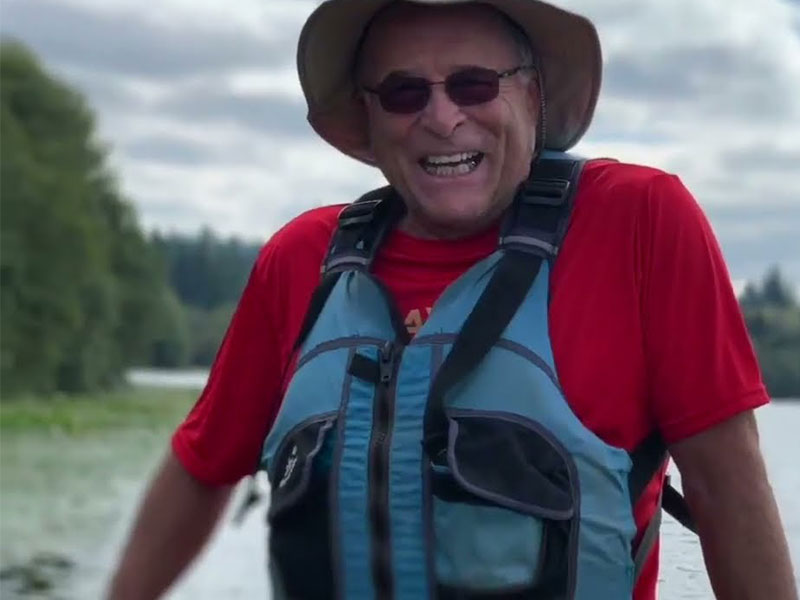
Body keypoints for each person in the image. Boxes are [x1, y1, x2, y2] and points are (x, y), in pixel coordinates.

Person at [107, 1, 798, 599]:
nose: (443, 118)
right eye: (404, 93)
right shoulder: (299, 261)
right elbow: (201, 467)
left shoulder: (642, 224)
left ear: (533, 97)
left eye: (473, 84)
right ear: (370, 118)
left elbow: (730, 497)